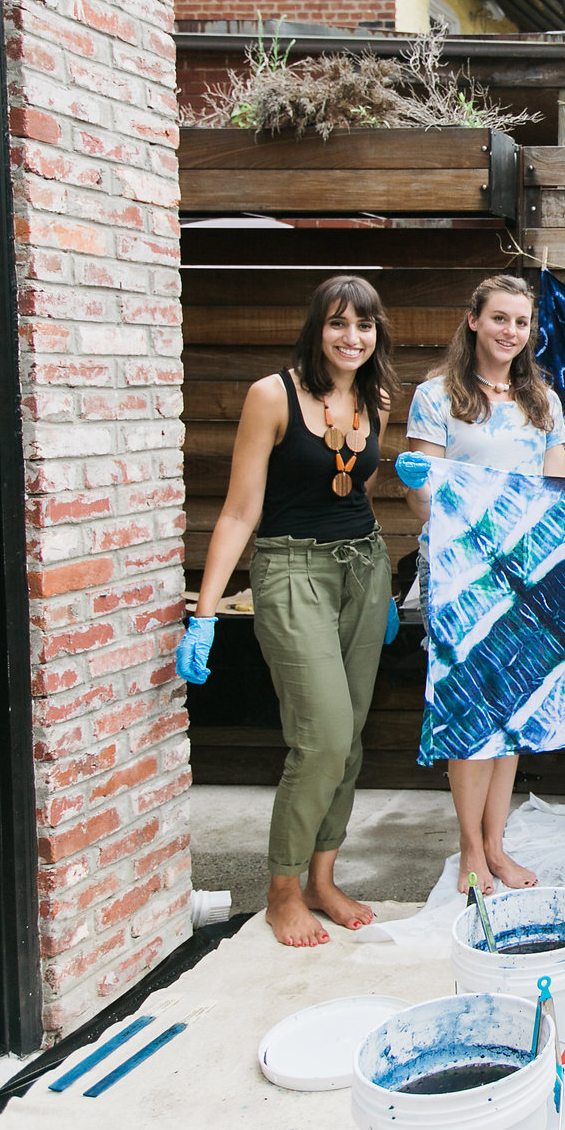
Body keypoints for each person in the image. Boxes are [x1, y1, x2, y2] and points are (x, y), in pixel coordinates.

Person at [178, 276, 399, 946]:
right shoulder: (271, 395)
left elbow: (357, 489)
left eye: (363, 326)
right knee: (322, 735)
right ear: (316, 327)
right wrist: (207, 612)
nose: (351, 338)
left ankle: (322, 878)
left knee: (351, 738)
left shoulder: (377, 397)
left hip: (364, 567)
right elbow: (242, 509)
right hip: (291, 569)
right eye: (338, 324)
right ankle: (282, 889)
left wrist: (385, 588)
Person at [393, 275, 565, 895]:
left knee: (512, 710)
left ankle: (499, 845)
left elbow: (557, 495)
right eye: (499, 319)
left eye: (521, 323)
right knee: (470, 711)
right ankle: (469, 846)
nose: (510, 332)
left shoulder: (543, 403)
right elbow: (422, 502)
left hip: (525, 575)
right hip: (460, 570)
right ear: (473, 320)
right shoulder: (435, 395)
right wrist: (418, 483)